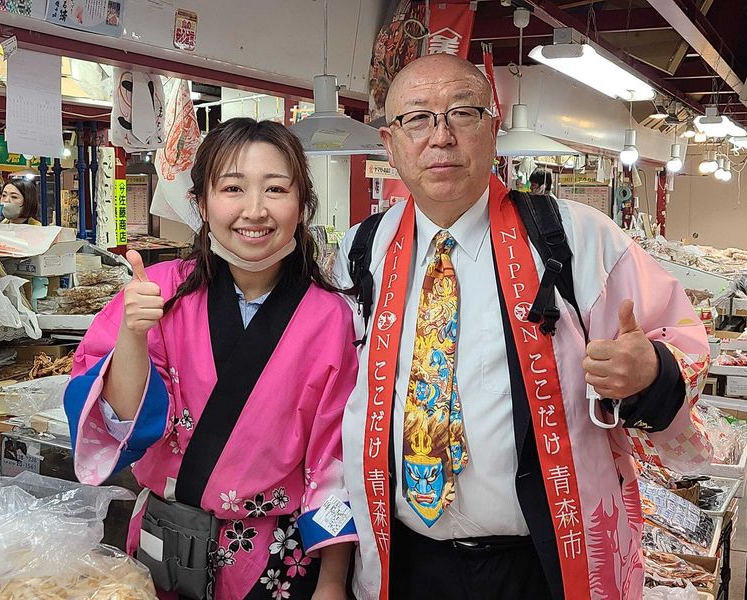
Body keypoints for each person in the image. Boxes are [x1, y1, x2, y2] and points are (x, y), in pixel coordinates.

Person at [333, 54, 712, 600]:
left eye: (461, 113)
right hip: (405, 560)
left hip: (540, 563)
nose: (440, 138)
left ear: (493, 128)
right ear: (389, 144)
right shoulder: (361, 250)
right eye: (417, 118)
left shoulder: (576, 239)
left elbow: (681, 343)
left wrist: (651, 372)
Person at [65, 119, 357, 600]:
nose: (255, 210)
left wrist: (331, 581)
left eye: (277, 189)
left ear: (302, 204)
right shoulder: (157, 293)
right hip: (167, 549)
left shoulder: (331, 318)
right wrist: (133, 335)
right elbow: (118, 424)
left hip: (278, 559)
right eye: (233, 188)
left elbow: (334, 462)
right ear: (201, 202)